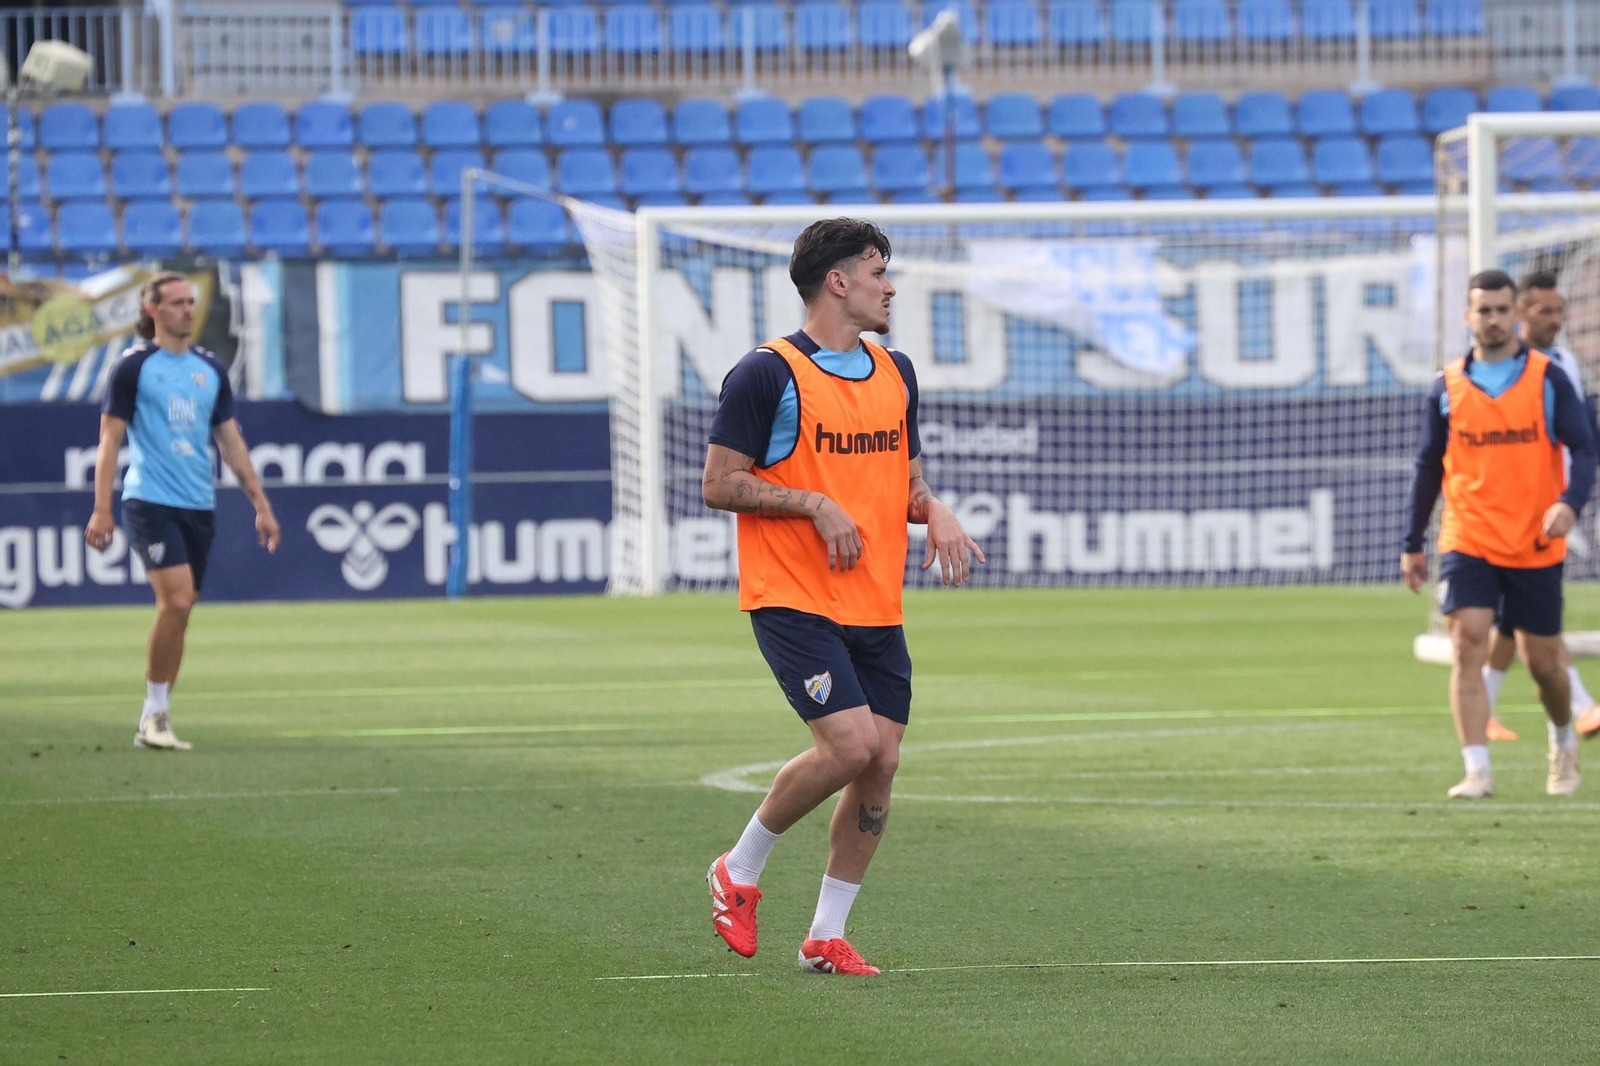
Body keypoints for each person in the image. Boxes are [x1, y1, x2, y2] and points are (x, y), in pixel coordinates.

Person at [700, 218, 983, 975]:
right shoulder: (767, 373)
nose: (889, 286)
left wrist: (937, 509)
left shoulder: (897, 371)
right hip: (792, 595)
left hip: (875, 603)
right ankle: (739, 867)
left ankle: (825, 933)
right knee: (850, 744)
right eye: (877, 270)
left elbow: (907, 484)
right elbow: (719, 483)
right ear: (838, 282)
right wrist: (813, 505)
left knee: (881, 762)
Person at [1402, 269, 1596, 799]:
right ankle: (1477, 769)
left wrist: (1569, 503)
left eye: (1501, 310)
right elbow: (1428, 466)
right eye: (1482, 310)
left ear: (1516, 315)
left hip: (1534, 538)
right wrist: (1411, 542)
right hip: (1469, 535)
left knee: (1543, 662)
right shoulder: (1446, 386)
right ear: (1468, 317)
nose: (1492, 319)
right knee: (1467, 638)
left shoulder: (1547, 377)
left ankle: (1562, 739)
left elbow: (1584, 447)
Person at [84, 272, 281, 751]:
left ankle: (158, 715)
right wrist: (101, 509)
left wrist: (261, 503)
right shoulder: (133, 368)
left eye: (191, 302)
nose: (188, 310)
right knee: (175, 599)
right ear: (153, 310)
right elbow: (109, 440)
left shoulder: (209, 369)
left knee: (184, 606)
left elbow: (230, 441)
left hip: (198, 503)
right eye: (176, 303)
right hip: (149, 499)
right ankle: (153, 715)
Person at [1480, 271, 1600, 741]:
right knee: (1535, 609)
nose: (1556, 319)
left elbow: (1582, 434)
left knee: (1519, 611)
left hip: (1561, 500)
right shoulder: (1508, 367)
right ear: (1519, 312)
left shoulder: (1565, 361)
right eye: (1544, 311)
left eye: (1559, 310)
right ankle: (1582, 706)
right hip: (1521, 501)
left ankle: (1483, 705)